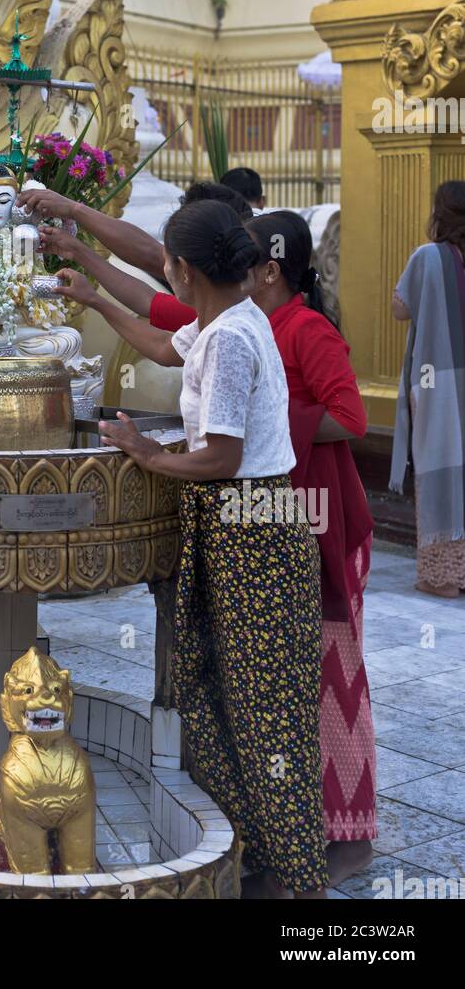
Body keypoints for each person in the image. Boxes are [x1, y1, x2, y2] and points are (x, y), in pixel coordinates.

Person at [56, 200, 327, 898]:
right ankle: (249, 861)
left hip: (252, 529)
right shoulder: (220, 323)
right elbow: (158, 344)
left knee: (265, 712)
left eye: (165, 261)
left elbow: (221, 457)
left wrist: (144, 451)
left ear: (181, 267)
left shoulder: (234, 338)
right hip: (229, 527)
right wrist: (91, 295)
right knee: (214, 698)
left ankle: (297, 882)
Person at [248, 211, 376, 884]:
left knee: (335, 682)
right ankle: (301, 821)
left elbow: (351, 418)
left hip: (324, 522)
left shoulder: (306, 329)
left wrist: (271, 422)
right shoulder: (256, 326)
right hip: (284, 517)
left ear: (269, 268)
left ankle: (350, 837)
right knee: (297, 682)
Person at [391, 180, 465, 598]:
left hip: (439, 385)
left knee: (440, 468)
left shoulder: (429, 257)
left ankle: (442, 576)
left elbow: (400, 308)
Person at [20, 178, 249, 289]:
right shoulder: (214, 302)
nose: (168, 267)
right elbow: (148, 302)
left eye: (173, 260)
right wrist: (78, 250)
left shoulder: (225, 323)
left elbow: (151, 256)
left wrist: (74, 210)